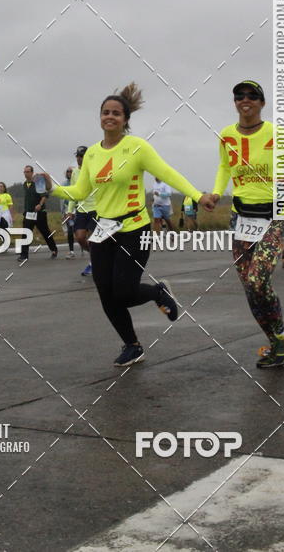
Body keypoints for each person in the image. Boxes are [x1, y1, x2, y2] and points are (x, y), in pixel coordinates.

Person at [50, 83, 215, 368]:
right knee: (106, 293)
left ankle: (157, 292)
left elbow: (167, 173)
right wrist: (50, 189)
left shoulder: (136, 147)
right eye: (105, 112)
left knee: (125, 292)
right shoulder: (91, 154)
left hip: (135, 228)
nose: (109, 117)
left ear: (125, 120)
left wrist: (198, 196)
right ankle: (132, 345)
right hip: (104, 229)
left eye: (116, 113)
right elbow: (79, 192)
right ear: (100, 118)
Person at [210, 80, 284, 369]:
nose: (245, 99)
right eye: (239, 95)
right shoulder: (227, 135)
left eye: (252, 95)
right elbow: (225, 166)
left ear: (262, 103)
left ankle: (281, 339)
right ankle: (279, 339)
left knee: (257, 279)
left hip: (275, 215)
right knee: (250, 288)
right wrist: (217, 191)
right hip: (241, 217)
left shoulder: (276, 133)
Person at [66, 146, 98, 276]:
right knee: (79, 238)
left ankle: (93, 264)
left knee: (94, 239)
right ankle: (97, 257)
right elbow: (74, 192)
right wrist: (70, 210)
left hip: (95, 208)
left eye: (81, 156)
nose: (79, 158)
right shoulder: (74, 173)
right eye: (77, 156)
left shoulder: (94, 170)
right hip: (81, 210)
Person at [19, 165, 58, 262]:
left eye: (28, 172)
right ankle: (24, 255)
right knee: (26, 233)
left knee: (45, 232)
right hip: (28, 213)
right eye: (25, 172)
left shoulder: (38, 182)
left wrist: (40, 204)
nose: (26, 174)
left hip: (39, 213)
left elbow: (45, 195)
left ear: (32, 172)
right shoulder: (25, 184)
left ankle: (54, 249)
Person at [61, 167, 76, 258]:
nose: (69, 173)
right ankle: (71, 251)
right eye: (68, 171)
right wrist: (63, 212)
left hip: (78, 209)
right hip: (67, 210)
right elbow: (62, 200)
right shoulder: (64, 184)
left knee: (80, 231)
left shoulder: (77, 182)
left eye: (71, 171)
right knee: (70, 230)